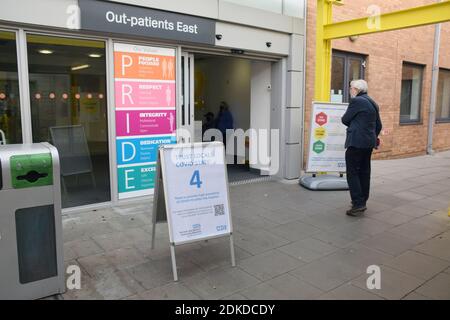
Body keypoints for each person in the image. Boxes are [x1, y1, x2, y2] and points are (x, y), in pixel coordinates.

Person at [341, 79, 382, 217]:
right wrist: (370, 136)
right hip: (368, 143)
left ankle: (358, 204)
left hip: (356, 142)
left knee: (352, 172)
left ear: (356, 89)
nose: (350, 90)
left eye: (351, 88)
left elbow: (345, 119)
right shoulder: (372, 102)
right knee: (365, 171)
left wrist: (357, 127)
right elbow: (379, 125)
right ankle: (363, 200)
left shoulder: (357, 101)